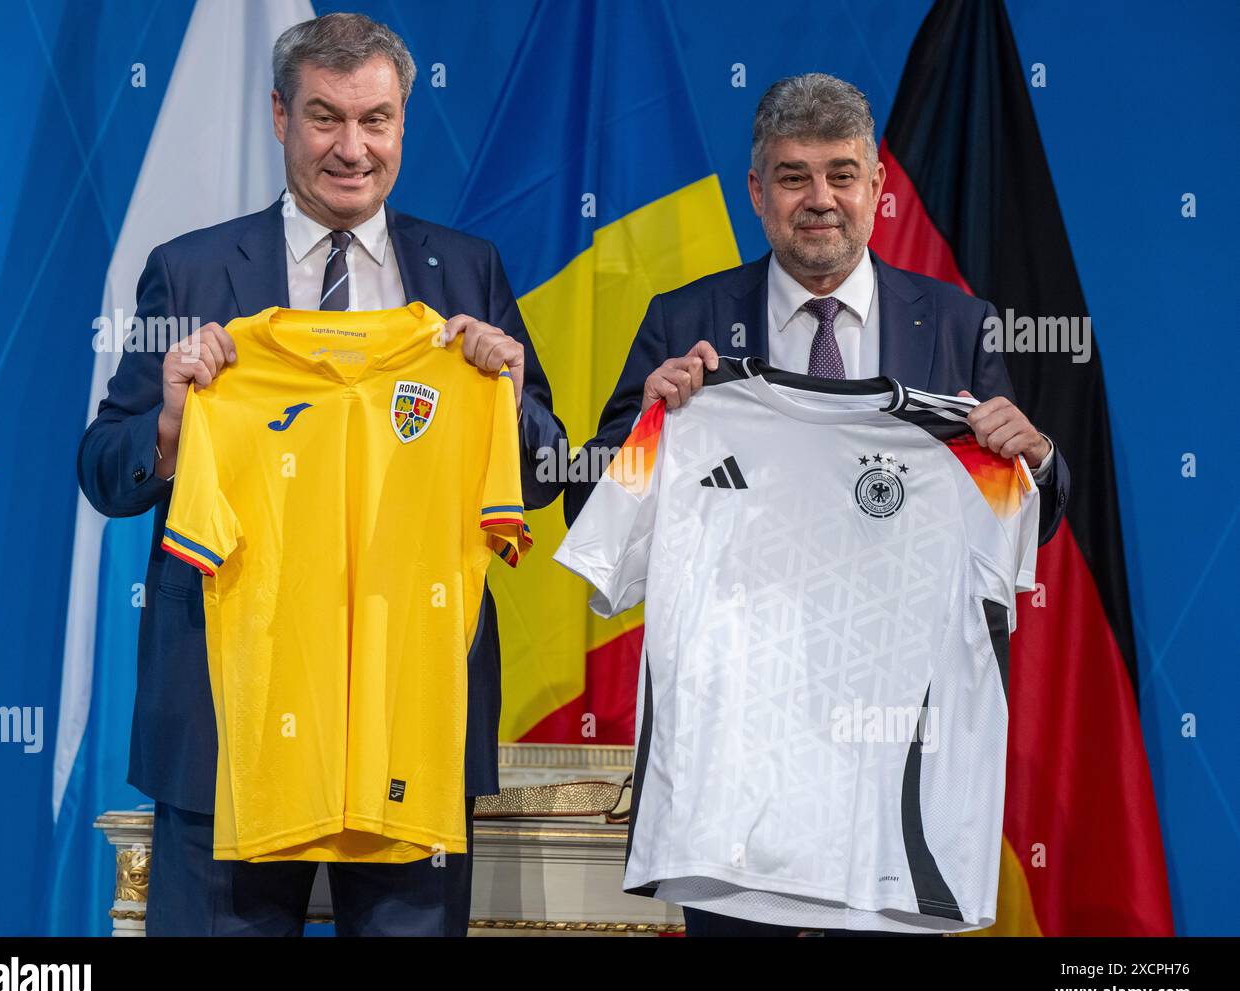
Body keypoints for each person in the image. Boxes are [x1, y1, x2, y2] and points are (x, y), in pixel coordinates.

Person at [76, 13, 564, 936]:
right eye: (325, 118)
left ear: (404, 123)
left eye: (375, 120)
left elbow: (543, 469)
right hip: (231, 723)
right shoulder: (188, 272)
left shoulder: (466, 271)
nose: (353, 148)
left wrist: (506, 391)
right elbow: (106, 470)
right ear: (278, 117)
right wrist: (174, 423)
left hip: (407, 720)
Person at [563, 72, 1070, 937]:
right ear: (757, 192)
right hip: (735, 768)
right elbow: (594, 504)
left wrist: (1040, 460)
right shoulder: (687, 319)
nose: (820, 199)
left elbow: (1015, 526)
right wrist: (648, 422)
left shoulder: (957, 324)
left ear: (879, 187)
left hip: (890, 755)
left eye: (841, 173)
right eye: (793, 176)